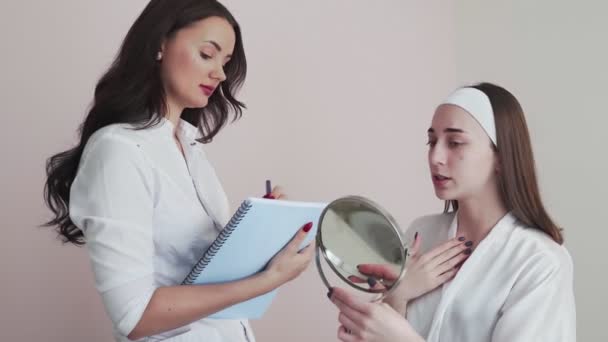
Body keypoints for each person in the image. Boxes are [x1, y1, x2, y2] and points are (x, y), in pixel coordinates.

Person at [43, 1, 315, 341]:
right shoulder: (119, 150)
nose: (220, 73)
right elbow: (134, 317)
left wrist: (257, 236)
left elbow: (196, 267)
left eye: (225, 62)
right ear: (160, 44)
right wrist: (267, 280)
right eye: (207, 54)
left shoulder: (189, 147)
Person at [329, 82, 576, 341]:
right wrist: (397, 295)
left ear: (501, 157)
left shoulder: (539, 261)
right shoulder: (421, 233)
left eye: (455, 142)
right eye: (432, 141)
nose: (435, 156)